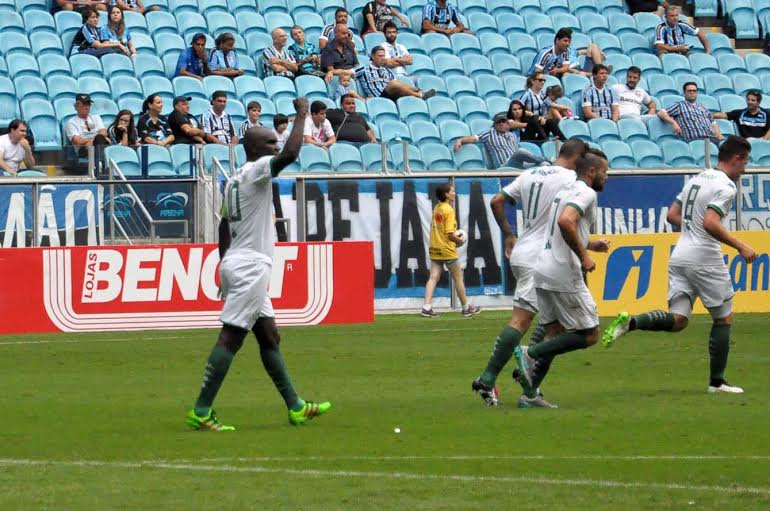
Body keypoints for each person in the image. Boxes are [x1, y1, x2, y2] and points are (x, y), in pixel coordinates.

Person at [185, 97, 331, 431]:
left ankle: (295, 406)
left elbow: (223, 224)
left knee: (269, 337)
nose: (275, 145)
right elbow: (292, 155)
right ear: (255, 148)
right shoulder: (256, 171)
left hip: (239, 261)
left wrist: (224, 265)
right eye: (269, 142)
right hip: (251, 266)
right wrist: (302, 114)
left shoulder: (236, 178)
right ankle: (202, 410)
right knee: (232, 337)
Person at [603, 136, 756, 394]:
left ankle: (631, 323)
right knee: (723, 318)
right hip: (705, 257)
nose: (746, 168)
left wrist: (690, 231)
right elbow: (710, 222)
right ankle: (717, 383)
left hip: (680, 254)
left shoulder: (698, 178)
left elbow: (672, 215)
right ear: (736, 158)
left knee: (678, 319)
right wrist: (740, 245)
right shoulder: (726, 187)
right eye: (746, 162)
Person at [471, 138, 588, 408]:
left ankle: (530, 390)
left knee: (555, 325)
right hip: (544, 256)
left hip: (524, 249)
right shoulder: (571, 179)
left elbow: (498, 200)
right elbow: (567, 221)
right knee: (525, 322)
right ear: (578, 157)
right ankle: (490, 379)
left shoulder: (530, 174)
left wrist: (509, 235)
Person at [513, 149, 611, 404]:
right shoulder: (585, 192)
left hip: (543, 268)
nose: (607, 177)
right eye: (605, 172)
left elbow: (564, 228)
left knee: (553, 331)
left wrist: (591, 244)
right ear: (591, 172)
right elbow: (566, 222)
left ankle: (530, 394)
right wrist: (584, 256)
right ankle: (530, 353)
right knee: (590, 334)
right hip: (563, 272)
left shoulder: (562, 192)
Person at [421, 183, 481, 318]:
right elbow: (449, 233)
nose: (454, 193)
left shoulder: (437, 207)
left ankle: (426, 306)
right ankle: (466, 307)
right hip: (447, 249)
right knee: (458, 277)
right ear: (446, 194)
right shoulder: (448, 210)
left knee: (433, 277)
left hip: (435, 247)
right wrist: (460, 241)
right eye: (452, 191)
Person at [453, 113, 548, 169]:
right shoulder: (490, 133)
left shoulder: (512, 135)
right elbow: (474, 138)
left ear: (507, 124)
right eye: (499, 122)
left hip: (519, 163)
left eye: (503, 122)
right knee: (520, 152)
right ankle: (546, 158)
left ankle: (545, 161)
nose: (501, 124)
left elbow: (519, 150)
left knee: (544, 165)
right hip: (504, 165)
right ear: (494, 124)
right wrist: (460, 140)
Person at [356, 46, 436, 101]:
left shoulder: (387, 70)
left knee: (397, 83)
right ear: (372, 56)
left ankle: (419, 91)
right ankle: (419, 95)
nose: (382, 58)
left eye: (383, 56)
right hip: (377, 97)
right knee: (394, 83)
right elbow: (349, 75)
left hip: (391, 96)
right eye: (379, 56)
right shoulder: (364, 69)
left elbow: (399, 85)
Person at [528, 28, 609, 78]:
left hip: (559, 74)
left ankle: (600, 71)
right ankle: (597, 74)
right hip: (539, 78)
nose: (567, 44)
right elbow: (537, 72)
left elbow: (565, 67)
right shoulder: (546, 54)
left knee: (593, 46)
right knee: (566, 75)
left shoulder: (565, 51)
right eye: (565, 41)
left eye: (569, 41)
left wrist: (557, 70)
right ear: (557, 40)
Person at [658, 82, 723, 142]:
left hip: (710, 140)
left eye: (694, 91)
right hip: (694, 141)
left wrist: (719, 134)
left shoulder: (703, 108)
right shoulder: (679, 105)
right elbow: (661, 112)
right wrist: (673, 123)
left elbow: (713, 122)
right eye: (689, 91)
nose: (692, 92)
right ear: (684, 93)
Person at [519, 73, 565, 140]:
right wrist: (530, 114)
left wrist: (543, 117)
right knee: (534, 118)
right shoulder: (526, 94)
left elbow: (548, 105)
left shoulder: (542, 94)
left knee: (551, 121)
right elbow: (518, 109)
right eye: (540, 80)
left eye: (544, 80)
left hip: (540, 122)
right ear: (532, 81)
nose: (543, 82)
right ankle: (546, 140)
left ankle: (563, 140)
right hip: (530, 124)